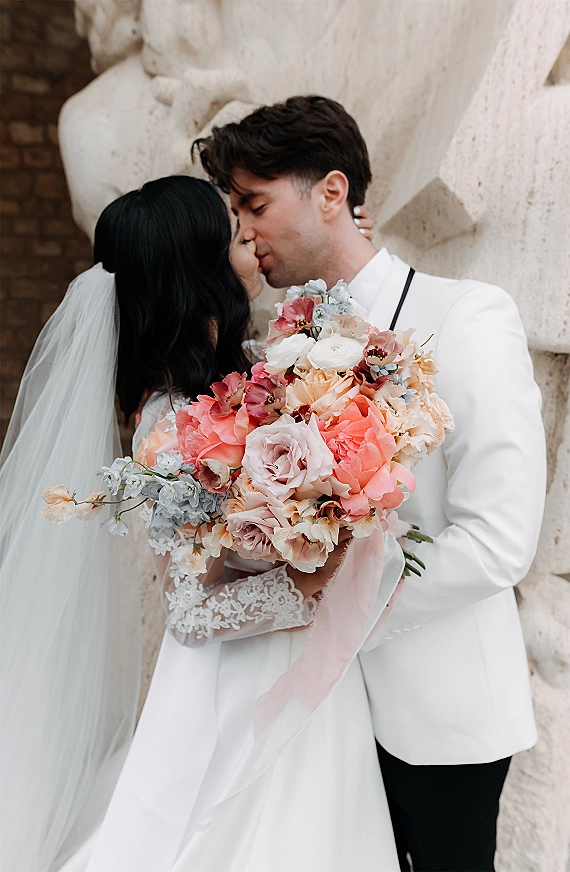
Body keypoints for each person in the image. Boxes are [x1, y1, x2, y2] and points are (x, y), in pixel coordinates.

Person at [0, 174, 402, 872]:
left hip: (302, 677)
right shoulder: (166, 424)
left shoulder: (253, 373)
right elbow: (188, 608)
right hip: (234, 691)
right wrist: (306, 580)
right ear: (200, 270)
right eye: (235, 235)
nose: (251, 240)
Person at [195, 94, 547, 872]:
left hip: (440, 717)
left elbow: (499, 541)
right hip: (321, 730)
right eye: (234, 209)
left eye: (254, 204)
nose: (243, 231)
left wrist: (334, 615)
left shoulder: (467, 318)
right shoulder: (273, 352)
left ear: (331, 192)